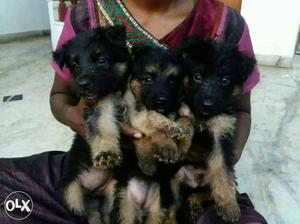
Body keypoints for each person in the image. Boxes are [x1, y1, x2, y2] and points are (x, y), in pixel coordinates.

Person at [0, 0, 267, 223]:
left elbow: (241, 111)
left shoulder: (225, 24)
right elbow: (60, 97)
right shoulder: (86, 14)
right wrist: (87, 125)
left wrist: (219, 160)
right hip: (103, 163)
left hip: (183, 176)